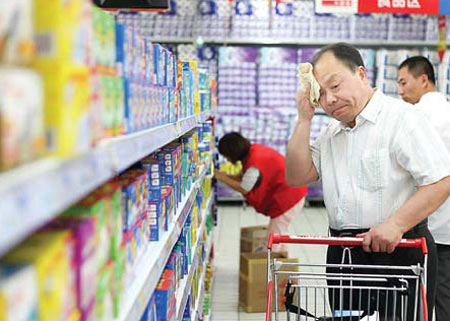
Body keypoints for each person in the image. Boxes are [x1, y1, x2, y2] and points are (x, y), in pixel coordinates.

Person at [286, 42, 450, 321]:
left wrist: (396, 224)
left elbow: (440, 181)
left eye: (335, 86)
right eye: (321, 94)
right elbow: (296, 175)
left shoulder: (401, 119)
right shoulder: (332, 132)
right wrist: (304, 119)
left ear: (361, 74)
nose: (330, 100)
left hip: (398, 252)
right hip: (344, 255)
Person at [398, 56, 450, 321]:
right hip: (443, 223)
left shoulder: (418, 115)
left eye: (404, 82)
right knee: (444, 293)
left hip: (435, 224)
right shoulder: (446, 109)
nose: (400, 90)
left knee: (436, 293)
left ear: (423, 79)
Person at [214, 132, 308, 254]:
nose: (227, 159)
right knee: (281, 234)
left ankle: (265, 268)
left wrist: (220, 177)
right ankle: (283, 263)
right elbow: (243, 178)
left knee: (272, 241)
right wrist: (222, 175)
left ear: (232, 152)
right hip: (294, 193)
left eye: (226, 156)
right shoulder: (254, 151)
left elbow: (244, 187)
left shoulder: (255, 162)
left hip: (288, 199)